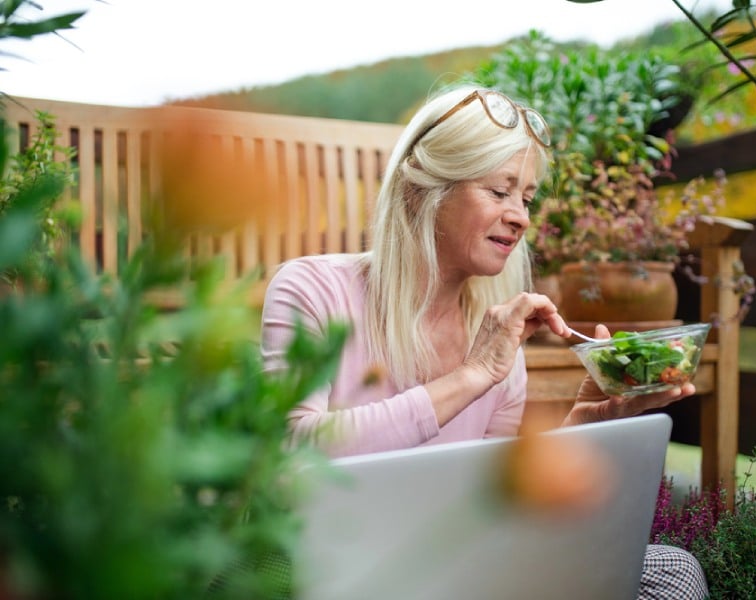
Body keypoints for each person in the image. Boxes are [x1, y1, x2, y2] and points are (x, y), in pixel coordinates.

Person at [260, 84, 708, 599]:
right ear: (421, 190)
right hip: (338, 567)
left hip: (449, 568)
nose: (520, 215)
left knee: (673, 571)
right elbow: (291, 459)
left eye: (527, 197)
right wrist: (469, 376)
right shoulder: (312, 291)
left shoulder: (498, 344)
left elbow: (489, 509)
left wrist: (581, 429)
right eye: (499, 191)